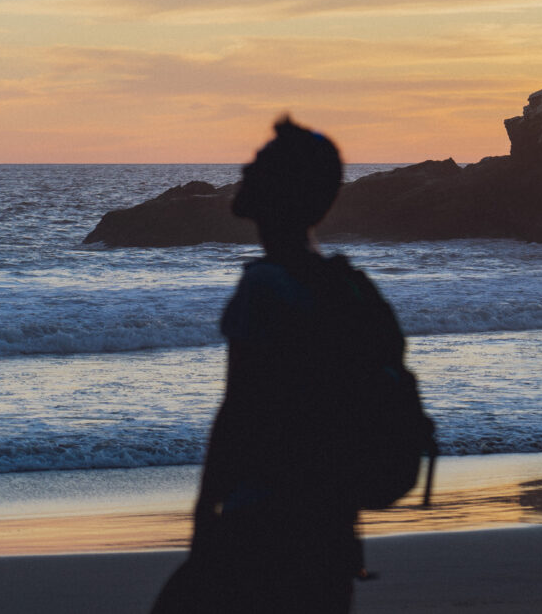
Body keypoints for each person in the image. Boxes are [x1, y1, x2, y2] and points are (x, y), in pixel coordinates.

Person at [152, 116, 407, 613]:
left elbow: (236, 413)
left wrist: (204, 524)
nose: (247, 165)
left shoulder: (266, 286)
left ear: (281, 190)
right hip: (330, 534)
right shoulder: (341, 285)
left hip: (262, 529)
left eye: (262, 162)